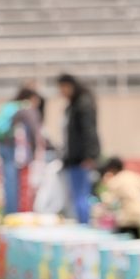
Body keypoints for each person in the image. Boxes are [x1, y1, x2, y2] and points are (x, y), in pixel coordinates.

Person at [57, 73, 101, 225]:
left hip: (81, 157)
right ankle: (82, 223)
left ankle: (85, 224)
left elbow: (89, 130)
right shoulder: (72, 106)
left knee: (82, 195)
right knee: (77, 195)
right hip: (73, 157)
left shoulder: (83, 104)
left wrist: (90, 155)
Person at [0, 86, 45, 215]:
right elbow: (34, 130)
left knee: (8, 180)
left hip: (3, 145)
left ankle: (10, 211)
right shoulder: (24, 107)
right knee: (14, 181)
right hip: (13, 147)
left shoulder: (8, 106)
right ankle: (13, 212)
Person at [100, 157, 140, 239]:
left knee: (120, 234)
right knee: (136, 233)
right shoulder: (131, 174)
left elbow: (108, 200)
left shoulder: (116, 180)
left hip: (127, 214)